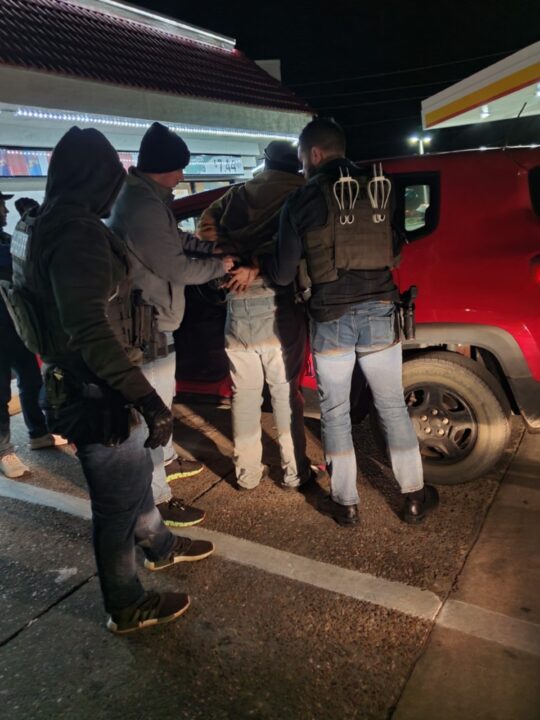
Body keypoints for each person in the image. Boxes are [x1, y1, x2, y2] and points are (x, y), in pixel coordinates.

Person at [9, 127, 214, 633]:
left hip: (87, 382)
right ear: (92, 178)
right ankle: (125, 604)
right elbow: (90, 330)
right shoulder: (75, 235)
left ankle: (160, 546)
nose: (114, 187)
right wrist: (147, 399)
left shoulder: (45, 223)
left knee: (131, 482)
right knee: (115, 506)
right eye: (109, 177)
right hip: (99, 390)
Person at [265, 118, 439, 526]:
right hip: (381, 308)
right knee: (391, 405)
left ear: (315, 154)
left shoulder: (302, 200)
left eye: (302, 158)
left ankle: (345, 503)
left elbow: (283, 273)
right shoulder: (381, 187)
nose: (302, 166)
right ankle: (414, 496)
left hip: (330, 317)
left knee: (335, 411)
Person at [109, 122, 234, 526]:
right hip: (146, 324)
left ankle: (165, 461)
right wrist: (220, 265)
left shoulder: (147, 198)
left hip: (154, 318)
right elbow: (175, 267)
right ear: (164, 167)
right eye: (179, 168)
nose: (182, 175)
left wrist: (209, 248)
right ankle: (157, 500)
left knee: (163, 399)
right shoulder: (142, 205)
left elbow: (175, 240)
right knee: (154, 412)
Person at [198, 141, 312, 490]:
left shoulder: (237, 194)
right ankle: (295, 472)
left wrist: (231, 258)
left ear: (266, 162)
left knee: (244, 395)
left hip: (238, 301)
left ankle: (247, 474)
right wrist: (261, 263)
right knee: (284, 393)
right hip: (280, 304)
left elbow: (205, 227)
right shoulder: (303, 192)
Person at [0, 191, 67, 479]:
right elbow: (18, 258)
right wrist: (31, 226)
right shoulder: (6, 245)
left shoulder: (7, 239)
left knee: (30, 380)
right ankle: (4, 451)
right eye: (0, 206)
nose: (5, 212)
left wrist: (31, 223)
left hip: (16, 325)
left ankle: (38, 433)